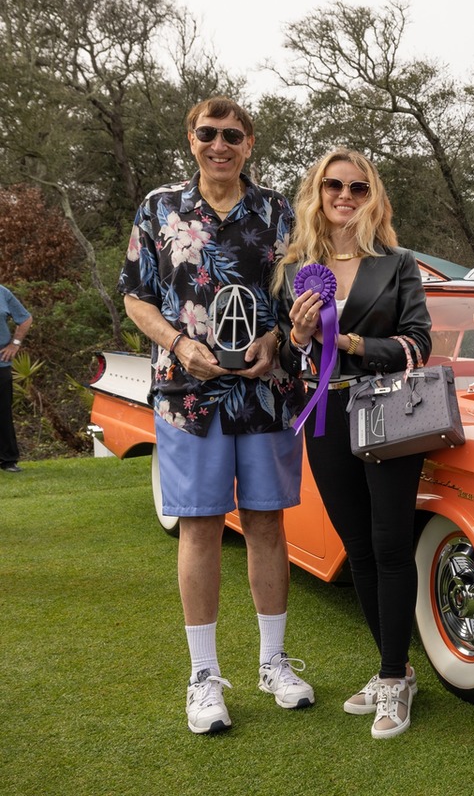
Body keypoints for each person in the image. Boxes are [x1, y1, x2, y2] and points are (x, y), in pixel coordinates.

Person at [119, 96, 311, 735]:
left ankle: (273, 662)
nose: (220, 145)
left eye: (233, 135)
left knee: (265, 524)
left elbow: (300, 297)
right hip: (186, 395)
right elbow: (136, 298)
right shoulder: (158, 208)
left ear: (250, 143)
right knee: (200, 527)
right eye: (209, 134)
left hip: (266, 392)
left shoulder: (279, 210)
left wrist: (275, 343)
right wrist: (179, 344)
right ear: (192, 139)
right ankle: (203, 679)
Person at [274, 148, 432, 740]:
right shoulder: (295, 268)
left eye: (358, 187)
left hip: (388, 409)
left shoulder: (397, 264)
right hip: (326, 414)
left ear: (373, 196)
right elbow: (288, 362)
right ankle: (400, 669)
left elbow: (419, 344)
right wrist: (297, 335)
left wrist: (356, 344)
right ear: (317, 193)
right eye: (333, 185)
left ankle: (392, 678)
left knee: (391, 544)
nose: (345, 195)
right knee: (358, 550)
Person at [0, 283, 32, 473]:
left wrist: (15, 344)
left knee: (3, 412)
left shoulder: (2, 292)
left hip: (1, 364)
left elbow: (25, 319)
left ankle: (8, 460)